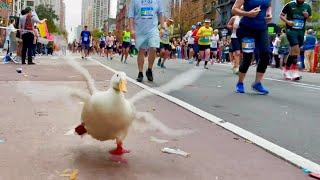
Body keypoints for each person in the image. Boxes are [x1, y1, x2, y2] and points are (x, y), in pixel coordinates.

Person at [232, 0, 272, 95]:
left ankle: (257, 83)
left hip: (262, 29)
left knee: (265, 54)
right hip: (247, 29)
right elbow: (234, 9)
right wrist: (247, 13)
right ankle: (240, 83)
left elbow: (269, 5)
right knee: (248, 57)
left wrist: (269, 13)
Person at [128, 0, 164, 82]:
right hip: (140, 30)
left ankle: (149, 70)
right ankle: (140, 72)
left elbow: (160, 13)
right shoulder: (134, 1)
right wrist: (132, 30)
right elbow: (131, 16)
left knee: (154, 48)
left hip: (153, 29)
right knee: (141, 50)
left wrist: (162, 28)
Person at [280, 0, 312, 80]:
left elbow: (310, 19)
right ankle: (294, 72)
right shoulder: (290, 5)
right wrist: (287, 22)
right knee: (296, 50)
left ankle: (286, 70)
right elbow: (281, 15)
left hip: (301, 31)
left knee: (293, 52)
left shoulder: (307, 6)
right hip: (291, 31)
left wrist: (307, 16)